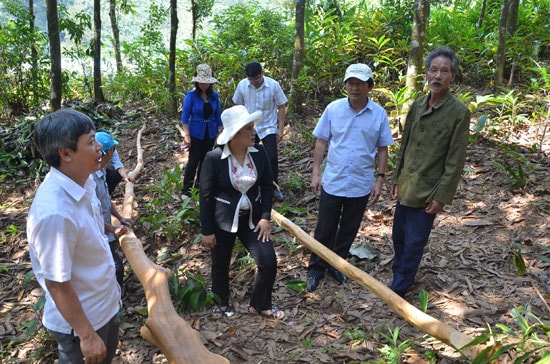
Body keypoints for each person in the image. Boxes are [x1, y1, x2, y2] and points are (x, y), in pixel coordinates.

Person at [26, 109, 121, 363]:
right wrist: (87, 336)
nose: (99, 146)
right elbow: (57, 283)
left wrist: (111, 228)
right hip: (82, 325)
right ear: (65, 154)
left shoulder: (83, 180)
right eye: (90, 141)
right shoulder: (54, 213)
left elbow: (88, 224)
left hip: (106, 305)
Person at [390, 46, 470, 297]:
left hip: (428, 190)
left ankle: (400, 286)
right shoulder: (416, 105)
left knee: (415, 241)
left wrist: (442, 196)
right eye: (433, 70)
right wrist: (396, 179)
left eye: (444, 71)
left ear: (452, 77)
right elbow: (405, 145)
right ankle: (398, 273)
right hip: (407, 185)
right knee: (399, 237)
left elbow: (455, 160)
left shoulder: (458, 112)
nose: (437, 76)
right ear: (426, 73)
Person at [306, 63, 394, 292]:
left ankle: (338, 265)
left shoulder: (378, 114)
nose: (355, 87)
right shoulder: (333, 109)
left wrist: (380, 179)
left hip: (361, 182)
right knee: (324, 227)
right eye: (351, 83)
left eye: (360, 83)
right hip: (333, 179)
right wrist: (316, 172)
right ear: (345, 85)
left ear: (370, 87)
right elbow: (322, 141)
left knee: (349, 227)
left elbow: (383, 148)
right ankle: (316, 268)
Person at [199, 105, 284, 320]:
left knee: (268, 261)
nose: (253, 132)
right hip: (223, 219)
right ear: (235, 134)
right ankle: (221, 303)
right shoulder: (213, 158)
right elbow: (206, 197)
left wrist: (265, 216)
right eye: (248, 129)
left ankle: (260, 304)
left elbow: (267, 186)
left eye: (252, 127)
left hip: (252, 219)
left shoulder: (259, 152)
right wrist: (207, 231)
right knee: (220, 264)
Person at [232, 61, 288, 202]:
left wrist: (280, 129)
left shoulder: (273, 85)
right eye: (251, 80)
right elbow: (237, 105)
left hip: (268, 126)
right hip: (249, 127)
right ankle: (248, 186)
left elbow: (282, 105)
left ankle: (273, 187)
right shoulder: (243, 85)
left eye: (257, 78)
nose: (254, 82)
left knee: (271, 157)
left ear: (262, 73)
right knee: (246, 156)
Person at [94, 131, 134, 293]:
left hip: (104, 228)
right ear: (107, 152)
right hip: (95, 233)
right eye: (113, 149)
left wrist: (120, 218)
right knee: (116, 268)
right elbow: (89, 217)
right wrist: (112, 229)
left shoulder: (101, 170)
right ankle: (115, 301)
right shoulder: (88, 179)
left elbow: (105, 199)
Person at [181, 63, 223, 196]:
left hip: (210, 132)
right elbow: (185, 116)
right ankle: (186, 190)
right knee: (193, 161)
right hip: (195, 133)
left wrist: (220, 130)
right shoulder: (191, 95)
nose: (203, 85)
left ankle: (199, 188)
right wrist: (187, 135)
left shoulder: (214, 95)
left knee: (205, 161)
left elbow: (218, 114)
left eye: (206, 82)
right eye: (201, 82)